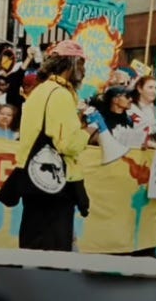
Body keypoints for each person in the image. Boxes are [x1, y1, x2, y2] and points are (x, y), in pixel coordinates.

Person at [7, 40, 98, 252]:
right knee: (54, 249)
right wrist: (88, 131)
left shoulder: (39, 91)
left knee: (33, 243)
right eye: (82, 64)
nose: (84, 71)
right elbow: (68, 144)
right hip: (54, 186)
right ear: (71, 64)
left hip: (34, 179)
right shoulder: (60, 95)